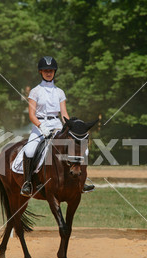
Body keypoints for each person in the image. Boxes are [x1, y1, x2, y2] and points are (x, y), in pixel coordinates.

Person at [20, 56, 95, 196]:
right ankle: (28, 183)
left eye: (51, 70)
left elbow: (64, 114)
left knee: (82, 150)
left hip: (57, 124)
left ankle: (82, 181)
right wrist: (41, 127)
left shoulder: (60, 92)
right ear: (40, 72)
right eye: (45, 70)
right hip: (39, 126)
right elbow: (31, 114)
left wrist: (70, 126)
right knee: (29, 150)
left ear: (55, 72)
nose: (49, 73)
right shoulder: (35, 91)